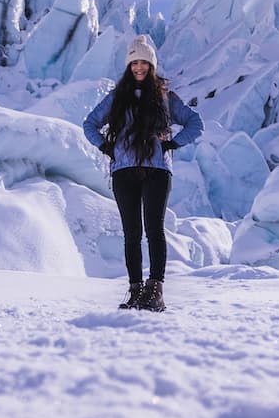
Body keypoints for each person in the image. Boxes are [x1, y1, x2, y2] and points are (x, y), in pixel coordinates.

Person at [83, 35, 203, 311]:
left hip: (157, 170)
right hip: (124, 170)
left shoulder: (165, 97)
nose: (139, 67)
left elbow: (195, 123)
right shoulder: (116, 98)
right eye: (134, 62)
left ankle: (156, 290)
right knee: (132, 233)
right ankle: (136, 291)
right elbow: (89, 124)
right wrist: (106, 147)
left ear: (152, 66)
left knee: (154, 229)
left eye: (144, 63)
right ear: (128, 66)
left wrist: (171, 144)